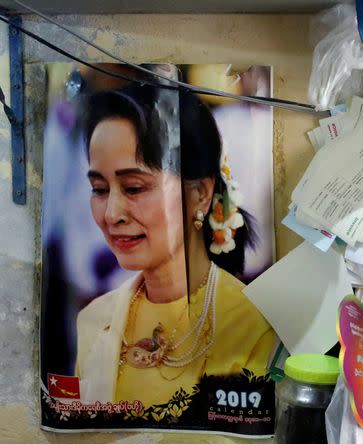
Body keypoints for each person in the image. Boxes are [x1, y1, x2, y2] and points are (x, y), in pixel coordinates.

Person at [75, 84, 276, 408]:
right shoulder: (95, 322)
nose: (112, 213)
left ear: (200, 194)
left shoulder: (252, 326)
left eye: (134, 187)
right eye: (99, 188)